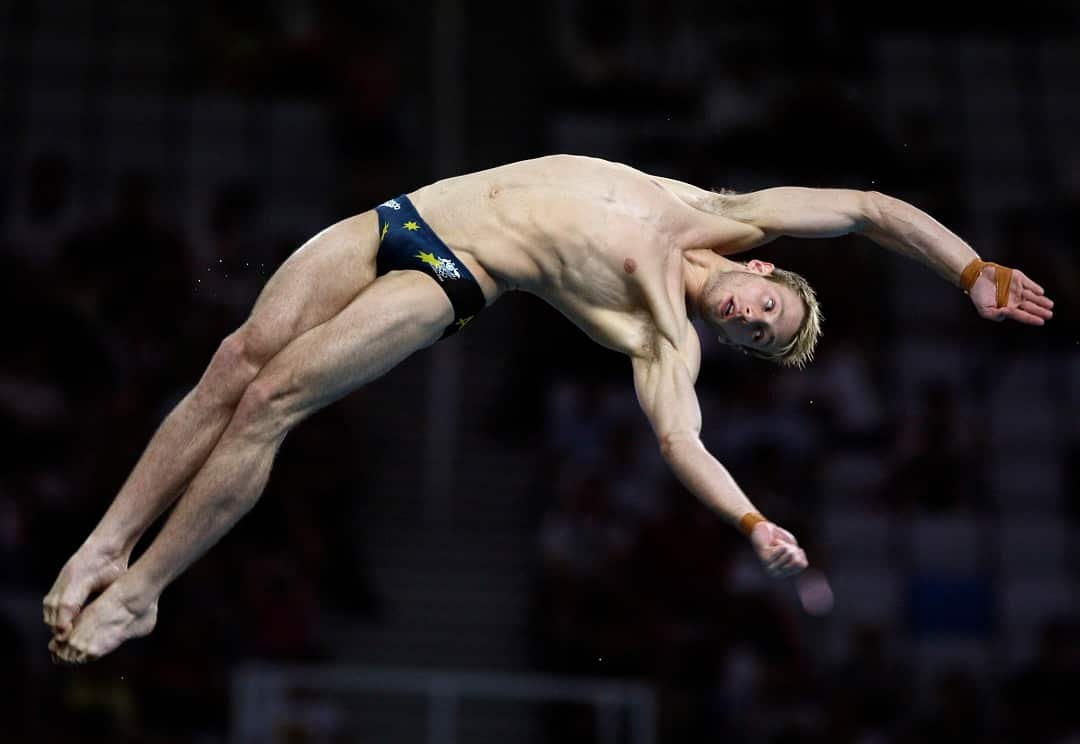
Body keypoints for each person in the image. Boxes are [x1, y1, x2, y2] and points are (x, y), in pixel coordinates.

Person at [43, 154, 1053, 664]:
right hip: (409, 212)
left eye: (754, 334)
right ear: (767, 265)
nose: (748, 317)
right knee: (233, 363)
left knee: (271, 400)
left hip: (452, 275)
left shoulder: (662, 340)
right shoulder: (719, 210)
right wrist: (969, 267)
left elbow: (681, 440)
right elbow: (874, 212)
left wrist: (747, 518)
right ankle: (103, 545)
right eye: (766, 304)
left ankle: (144, 591)